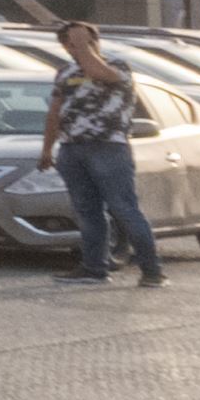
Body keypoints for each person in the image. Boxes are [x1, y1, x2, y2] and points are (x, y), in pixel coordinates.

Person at [44, 16, 163, 287]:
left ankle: (152, 271)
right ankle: (94, 269)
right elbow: (53, 112)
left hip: (108, 147)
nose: (72, 49)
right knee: (87, 212)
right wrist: (47, 148)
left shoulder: (117, 67)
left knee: (124, 208)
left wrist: (84, 44)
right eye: (68, 45)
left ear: (93, 42)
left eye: (77, 43)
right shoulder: (65, 72)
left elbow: (98, 72)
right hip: (72, 148)